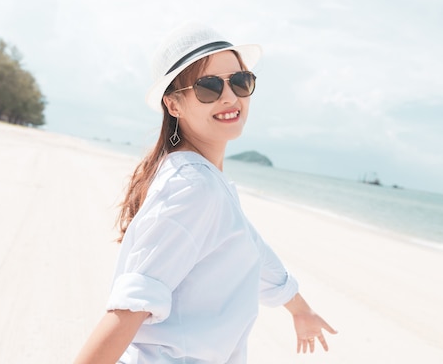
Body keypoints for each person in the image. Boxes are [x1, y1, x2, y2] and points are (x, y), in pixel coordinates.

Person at [74, 23, 336, 363]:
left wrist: (299, 309)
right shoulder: (191, 187)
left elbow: (252, 249)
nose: (230, 97)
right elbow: (131, 306)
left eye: (240, 81)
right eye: (208, 87)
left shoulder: (204, 183)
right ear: (174, 104)